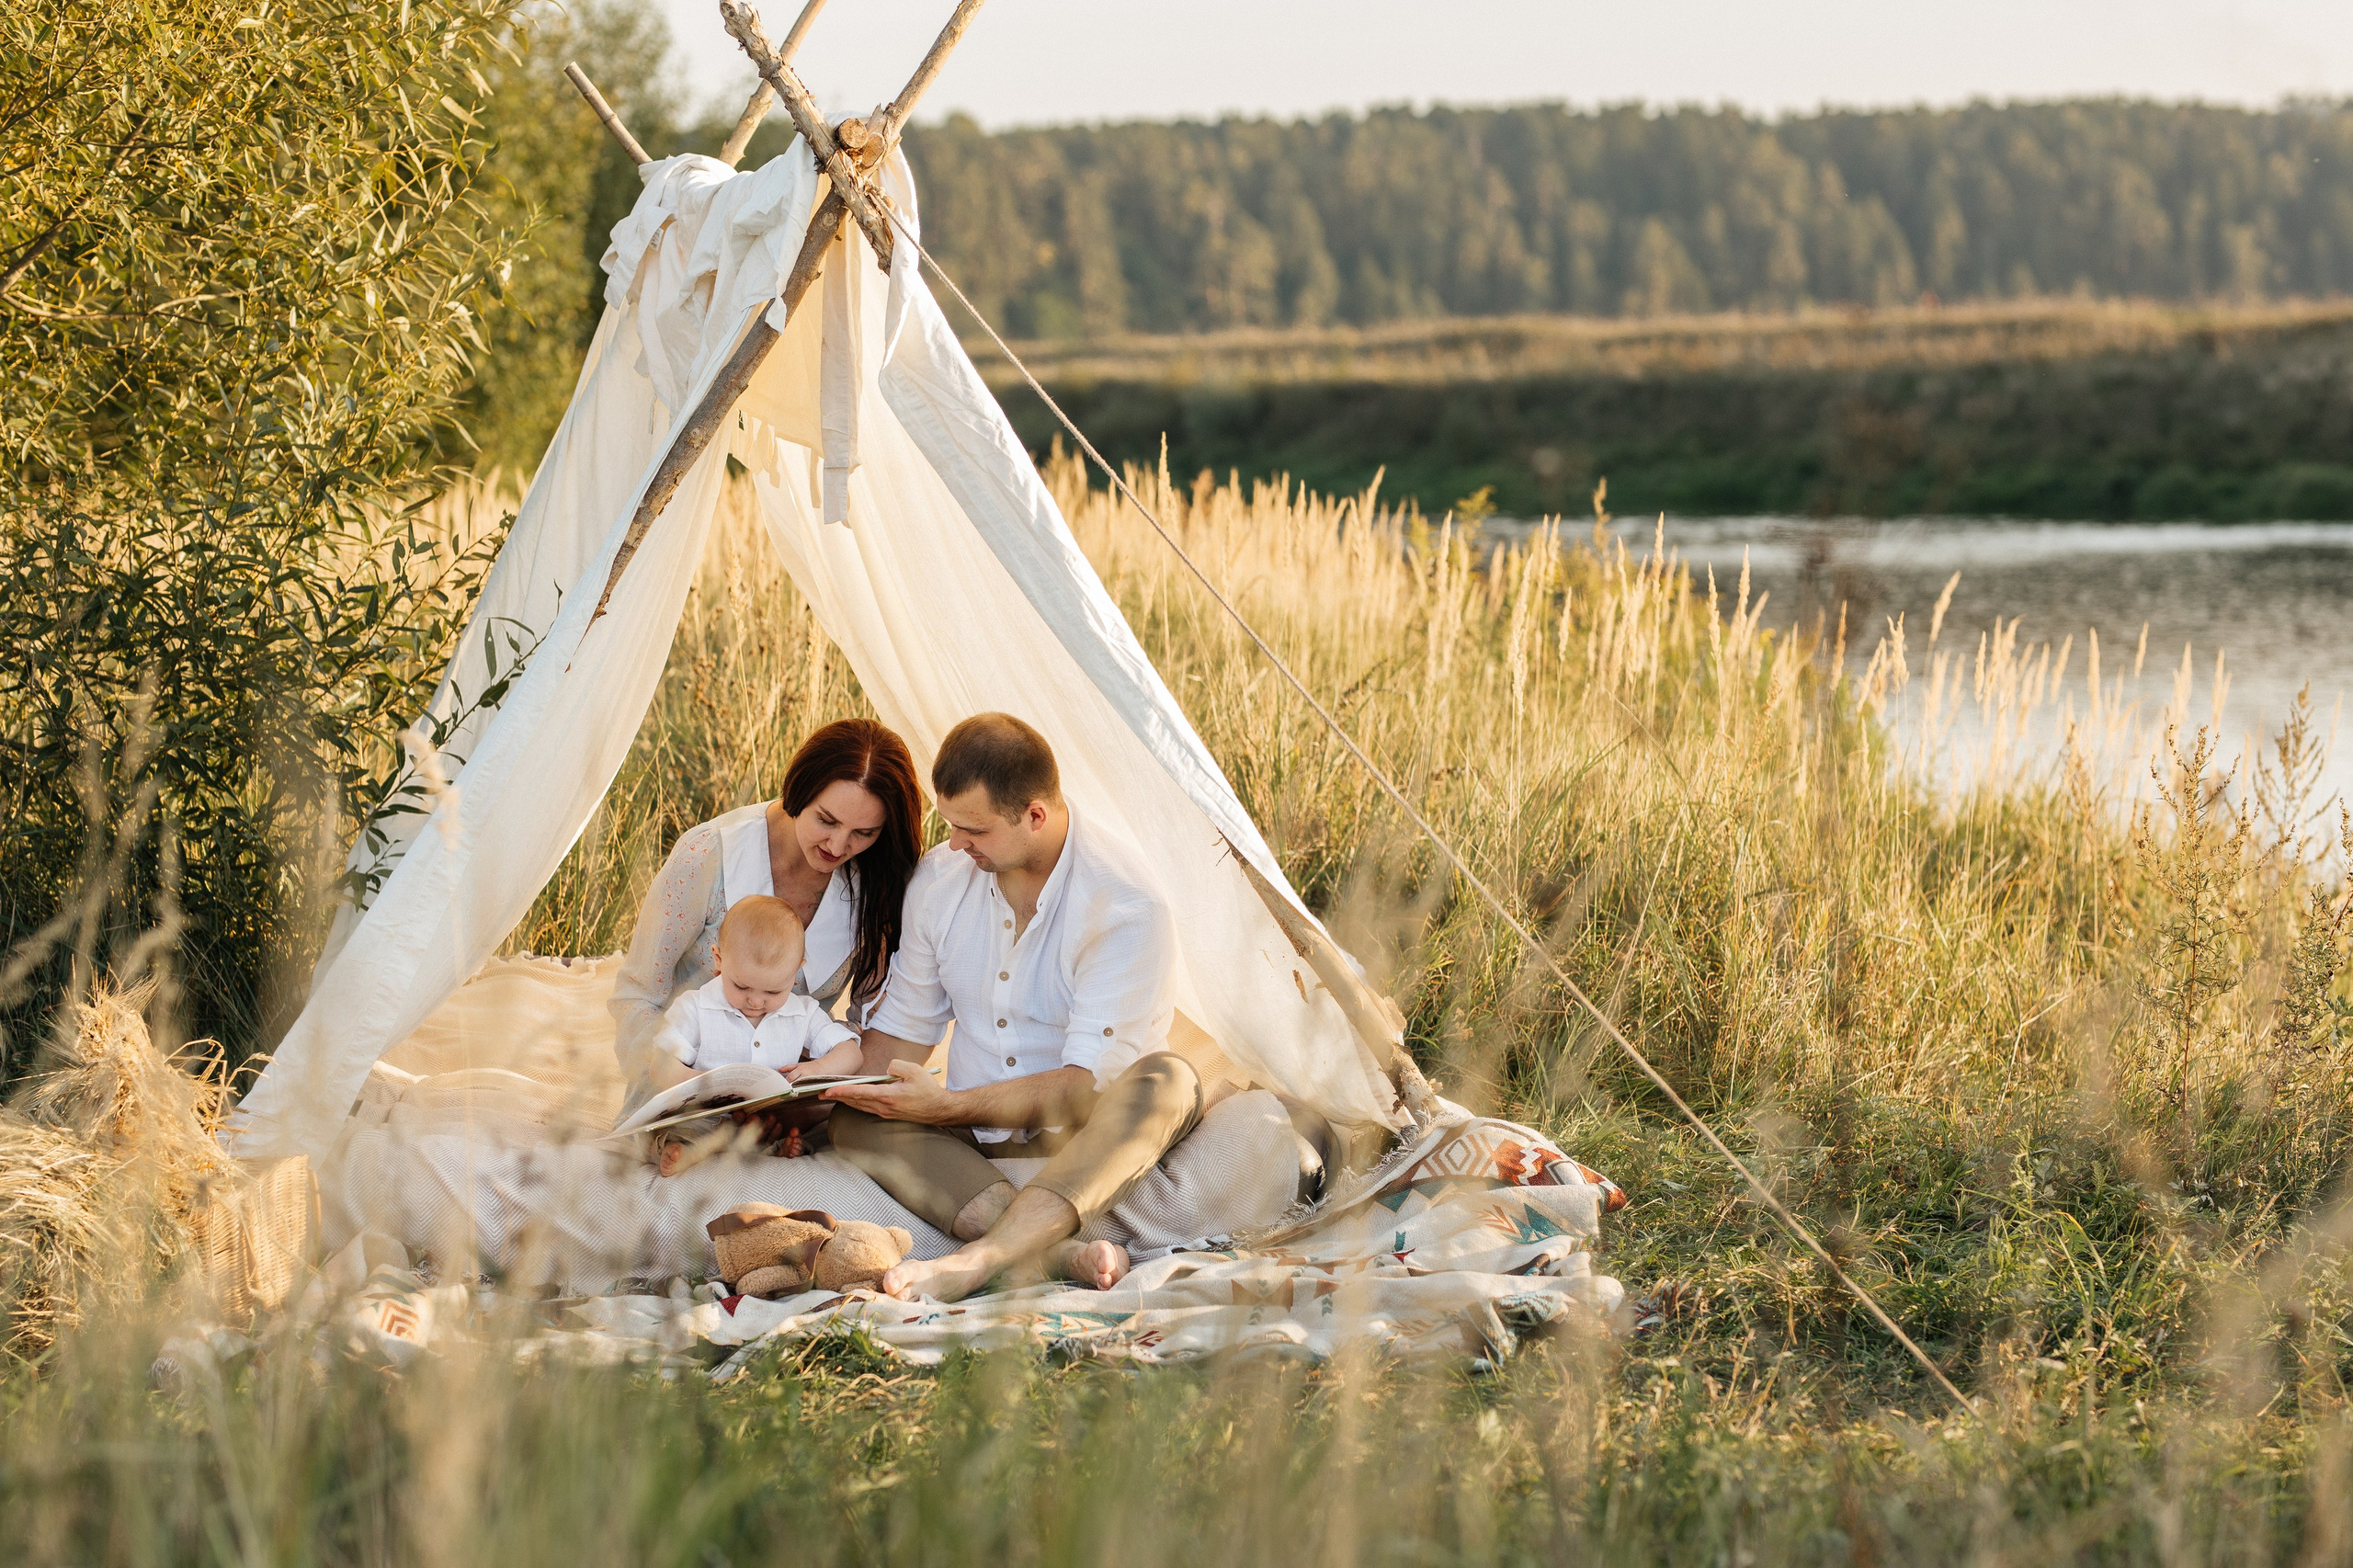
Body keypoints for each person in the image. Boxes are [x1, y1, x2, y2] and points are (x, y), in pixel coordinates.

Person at [824, 712, 1205, 1302]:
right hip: (970, 1143)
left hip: (1082, 1138)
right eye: (949, 824)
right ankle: (1053, 1253)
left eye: (972, 829)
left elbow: (1084, 1087)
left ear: (1035, 815)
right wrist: (820, 1092)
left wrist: (945, 1107)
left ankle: (980, 1259)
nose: (955, 844)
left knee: (1169, 1080)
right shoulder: (942, 881)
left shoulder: (1126, 905)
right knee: (856, 1113)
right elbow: (902, 1029)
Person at [609, 719, 923, 1108]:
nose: (839, 845)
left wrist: (811, 1094)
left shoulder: (877, 882)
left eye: (865, 832)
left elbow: (871, 1021)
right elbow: (636, 996)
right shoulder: (707, 857)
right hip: (681, 1090)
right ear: (798, 791)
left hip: (793, 1099)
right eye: (826, 820)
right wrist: (683, 1085)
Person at [641, 895, 866, 1176]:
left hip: (762, 1123)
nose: (756, 1002)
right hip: (700, 1118)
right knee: (672, 1131)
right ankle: (683, 1150)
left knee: (797, 1135)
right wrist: (696, 1082)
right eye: (742, 987)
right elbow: (659, 1065)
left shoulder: (803, 1012)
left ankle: (773, 1152)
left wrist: (817, 1068)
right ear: (719, 958)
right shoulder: (696, 1006)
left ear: (796, 972)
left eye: (773, 992)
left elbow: (851, 1053)